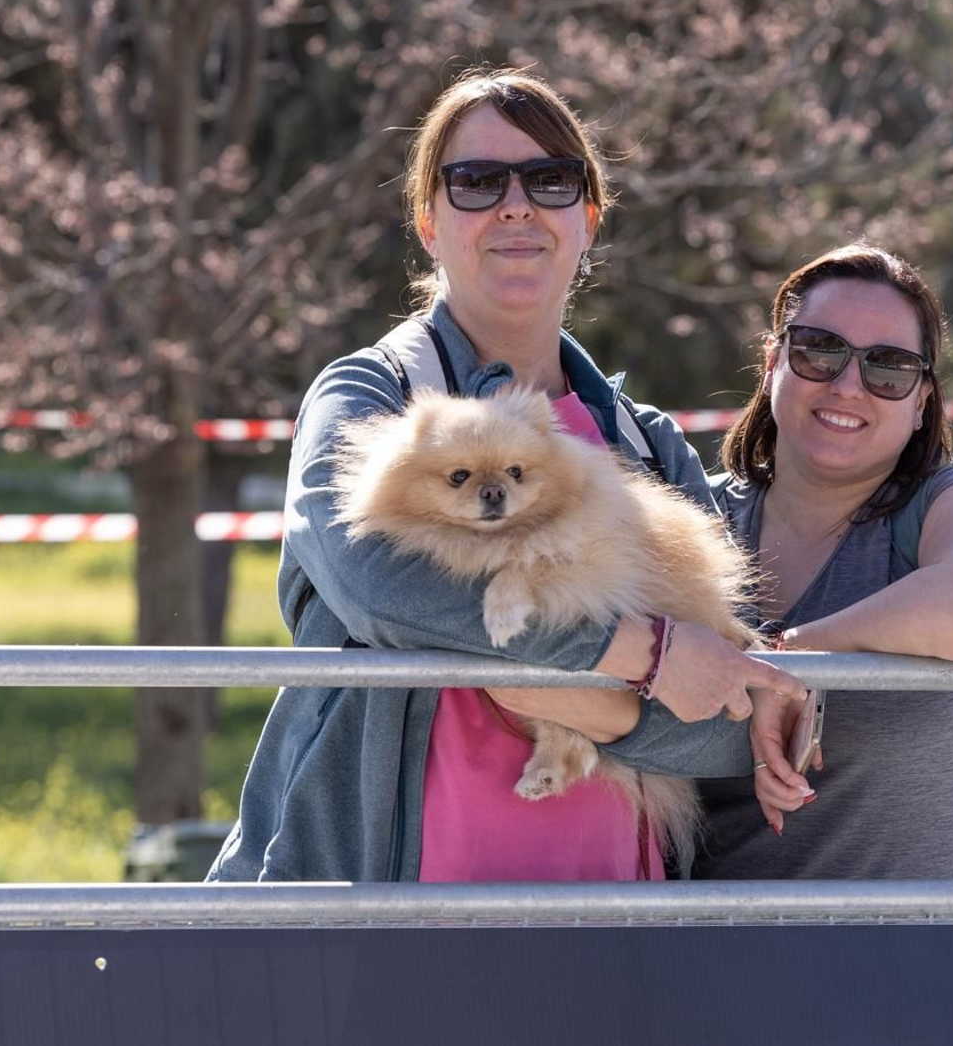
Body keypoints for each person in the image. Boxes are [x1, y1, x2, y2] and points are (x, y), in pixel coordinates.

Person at [207, 69, 800, 884]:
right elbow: (376, 586)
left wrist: (577, 695)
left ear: (588, 220)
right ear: (427, 221)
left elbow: (724, 723)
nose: (516, 206)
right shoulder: (369, 397)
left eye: (551, 181)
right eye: (477, 182)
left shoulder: (645, 445)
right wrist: (639, 656)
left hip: (610, 913)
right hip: (384, 917)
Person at [693, 243, 953, 881]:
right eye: (819, 349)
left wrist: (792, 661)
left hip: (937, 960)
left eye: (890, 368)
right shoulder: (694, 520)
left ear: (920, 402)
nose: (848, 385)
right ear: (773, 362)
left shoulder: (948, 504)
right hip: (724, 959)